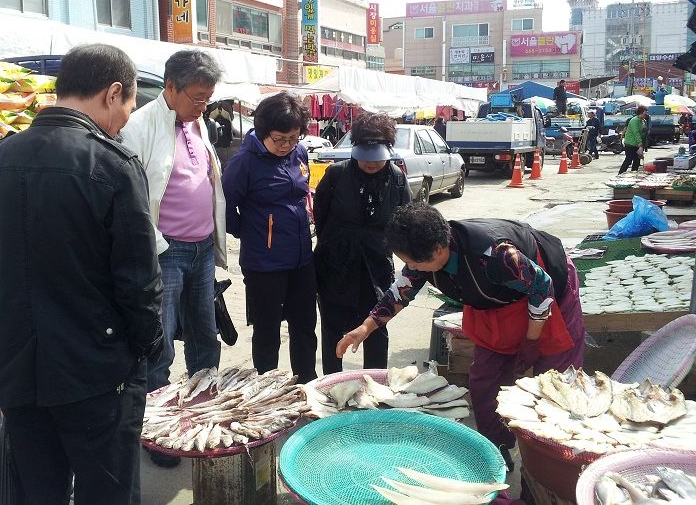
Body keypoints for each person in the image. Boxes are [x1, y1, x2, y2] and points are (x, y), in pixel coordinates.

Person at [0, 44, 163, 505]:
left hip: (18, 373)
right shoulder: (114, 164)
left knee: (39, 492)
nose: (128, 118)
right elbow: (138, 280)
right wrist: (144, 352)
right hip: (97, 374)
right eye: (131, 104)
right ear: (113, 93)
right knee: (107, 493)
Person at [336, 203, 584, 471]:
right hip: (494, 303)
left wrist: (531, 341)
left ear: (439, 249)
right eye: (406, 262)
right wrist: (365, 327)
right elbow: (401, 291)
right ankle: (497, 449)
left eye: (414, 262)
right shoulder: (422, 255)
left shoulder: (495, 256)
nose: (411, 268)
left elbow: (541, 288)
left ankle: (548, 467)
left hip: (546, 296)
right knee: (485, 382)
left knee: (552, 384)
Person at [121, 49, 225, 468]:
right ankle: (159, 430)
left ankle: (202, 412)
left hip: (200, 248)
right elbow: (133, 198)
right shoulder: (140, 126)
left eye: (208, 98)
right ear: (170, 88)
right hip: (165, 251)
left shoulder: (198, 122)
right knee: (159, 344)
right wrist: (159, 245)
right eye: (197, 96)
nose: (203, 105)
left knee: (205, 334)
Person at [222, 92, 318, 383]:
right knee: (267, 330)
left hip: (301, 257)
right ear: (263, 132)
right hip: (264, 263)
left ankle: (306, 384)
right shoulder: (244, 163)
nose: (287, 146)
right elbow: (224, 208)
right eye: (279, 139)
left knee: (304, 325)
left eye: (293, 138)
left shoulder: (297, 153)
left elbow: (302, 190)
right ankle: (267, 387)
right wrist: (253, 232)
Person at [313, 112, 412, 374]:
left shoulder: (398, 179)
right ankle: (332, 386)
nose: (371, 163)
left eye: (377, 157)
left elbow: (406, 221)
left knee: (376, 327)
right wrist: (336, 244)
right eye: (365, 156)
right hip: (335, 267)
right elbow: (320, 216)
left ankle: (374, 384)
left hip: (376, 269)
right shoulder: (336, 175)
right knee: (333, 329)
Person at [618, 105, 649, 174]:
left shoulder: (643, 121)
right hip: (630, 143)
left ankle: (633, 174)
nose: (646, 114)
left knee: (637, 161)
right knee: (628, 160)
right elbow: (636, 132)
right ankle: (620, 174)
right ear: (641, 112)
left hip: (637, 145)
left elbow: (643, 133)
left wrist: (642, 145)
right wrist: (640, 143)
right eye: (645, 112)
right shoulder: (634, 120)